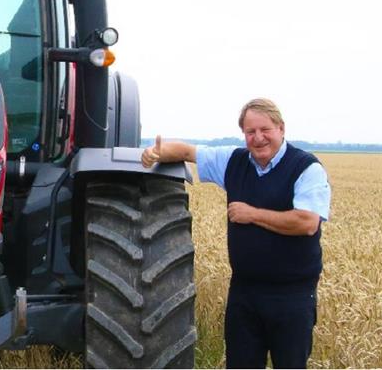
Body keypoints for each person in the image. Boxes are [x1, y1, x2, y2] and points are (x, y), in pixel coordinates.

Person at [141, 98, 330, 368]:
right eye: (250, 132)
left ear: (281, 128)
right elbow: (186, 152)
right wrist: (155, 153)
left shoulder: (306, 168)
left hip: (292, 297)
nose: (258, 138)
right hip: (245, 292)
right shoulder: (235, 161)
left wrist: (252, 214)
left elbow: (307, 222)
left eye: (265, 129)